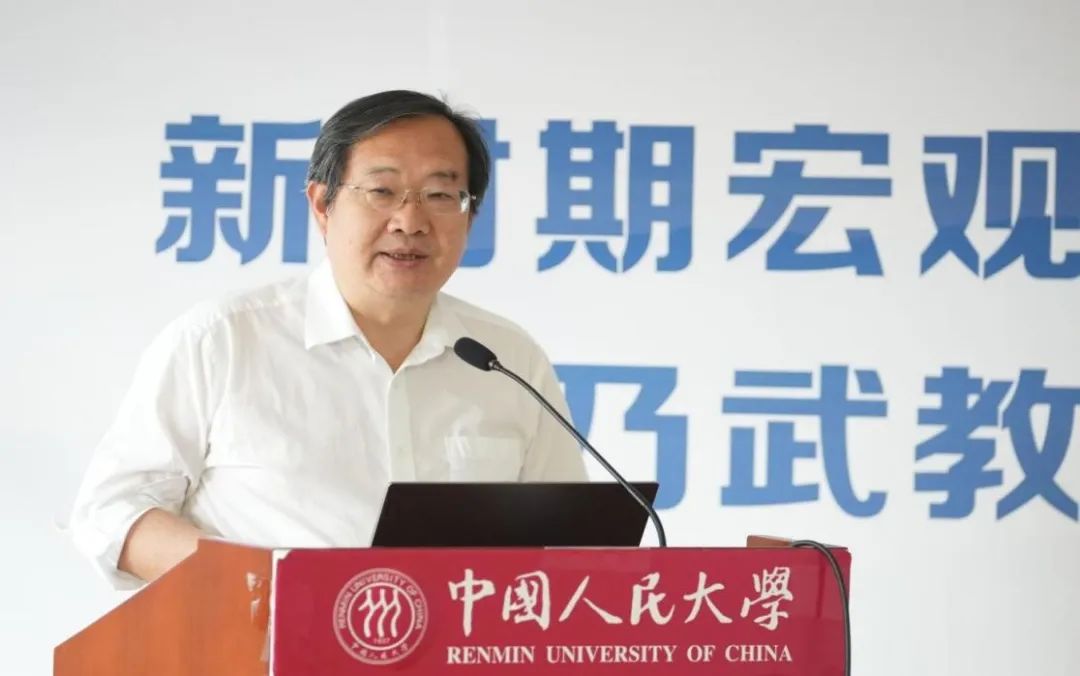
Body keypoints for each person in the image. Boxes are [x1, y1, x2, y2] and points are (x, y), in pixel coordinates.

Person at [69, 90, 587, 588]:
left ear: (469, 214)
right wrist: (266, 584)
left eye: (439, 195)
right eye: (382, 191)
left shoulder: (508, 358)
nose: (410, 222)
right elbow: (112, 511)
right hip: (259, 640)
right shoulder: (224, 340)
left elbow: (571, 542)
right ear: (322, 204)